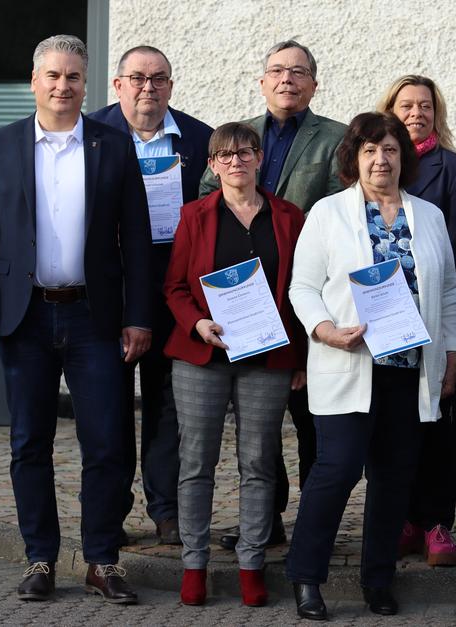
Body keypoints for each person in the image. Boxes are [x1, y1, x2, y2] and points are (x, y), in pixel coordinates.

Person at [0, 34, 152, 605]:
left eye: (73, 76)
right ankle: (39, 558)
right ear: (34, 82)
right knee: (29, 443)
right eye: (53, 75)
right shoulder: (0, 145)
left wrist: (138, 316)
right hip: (25, 319)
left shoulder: (113, 146)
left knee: (107, 445)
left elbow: (137, 239)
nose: (62, 85)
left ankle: (102, 561)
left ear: (86, 84)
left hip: (96, 319)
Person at [285, 112, 456, 621]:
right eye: (369, 150)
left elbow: (448, 292)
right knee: (336, 470)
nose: (380, 159)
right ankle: (306, 577)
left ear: (404, 157)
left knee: (393, 478)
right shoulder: (328, 213)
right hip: (348, 363)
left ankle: (379, 580)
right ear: (353, 158)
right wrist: (324, 330)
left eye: (389, 149)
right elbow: (303, 288)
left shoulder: (429, 216)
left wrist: (453, 352)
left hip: (410, 368)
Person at [202, 40, 348, 553]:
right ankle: (266, 521)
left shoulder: (336, 138)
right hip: (242, 302)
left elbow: (340, 211)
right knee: (258, 424)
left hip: (307, 297)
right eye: (277, 70)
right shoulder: (237, 137)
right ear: (262, 81)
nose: (287, 79)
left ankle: (316, 524)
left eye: (298, 71)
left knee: (311, 420)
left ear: (314, 83)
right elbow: (207, 195)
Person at [162, 122, 306, 607]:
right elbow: (174, 287)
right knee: (196, 462)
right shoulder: (195, 215)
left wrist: (301, 357)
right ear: (212, 165)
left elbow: (302, 290)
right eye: (225, 155)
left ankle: (251, 564)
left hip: (267, 356)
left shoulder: (289, 217)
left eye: (245, 152)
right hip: (203, 355)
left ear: (260, 158)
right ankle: (194, 565)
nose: (236, 161)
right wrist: (198, 323)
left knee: (259, 462)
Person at [89, 45, 214, 546]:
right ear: (118, 85)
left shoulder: (200, 140)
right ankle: (110, 513)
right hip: (108, 292)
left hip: (173, 292)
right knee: (109, 407)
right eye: (138, 78)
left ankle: (167, 512)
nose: (148, 87)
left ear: (171, 86)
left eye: (159, 78)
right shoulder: (90, 135)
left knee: (168, 406)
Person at [376, 74, 456, 567]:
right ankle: (400, 519)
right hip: (380, 321)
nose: (416, 113)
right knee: (389, 425)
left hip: (433, 316)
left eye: (425, 106)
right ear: (390, 112)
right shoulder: (370, 168)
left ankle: (437, 521)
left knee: (437, 424)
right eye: (406, 106)